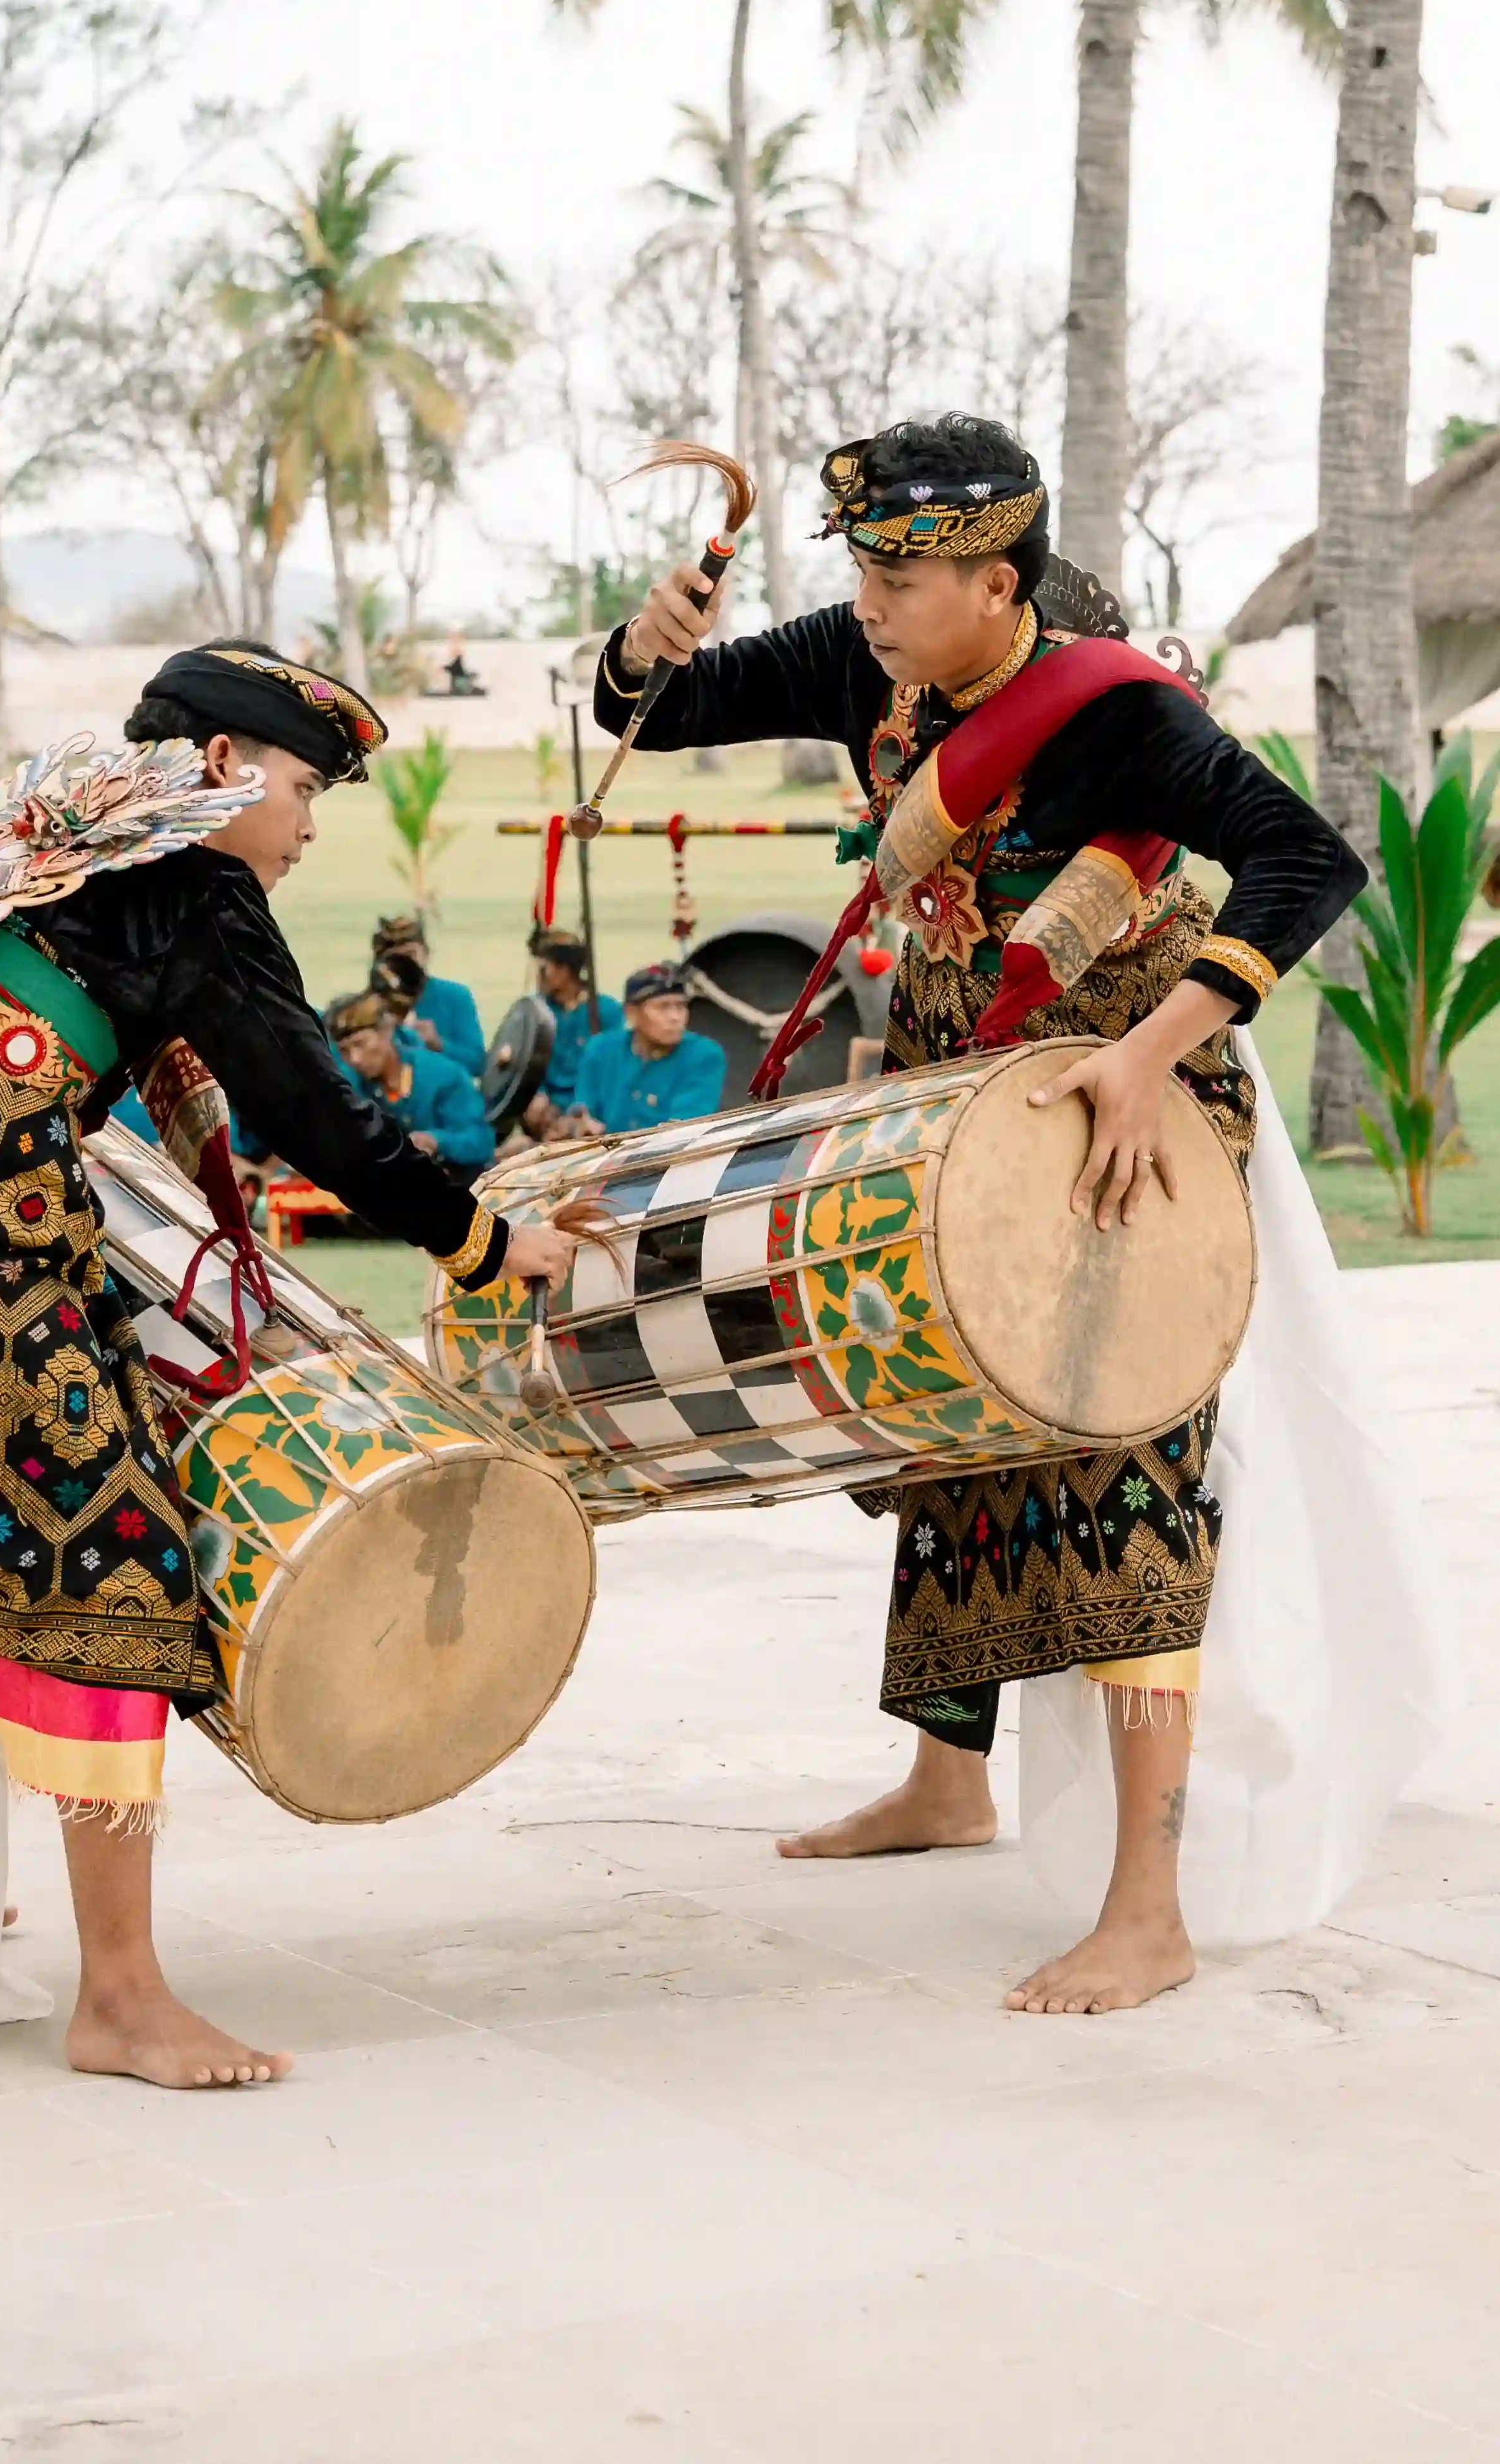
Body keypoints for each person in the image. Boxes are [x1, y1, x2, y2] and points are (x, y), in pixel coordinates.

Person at [0, 640, 574, 2088]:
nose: (301, 828)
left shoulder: (56, 826)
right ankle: (121, 1996)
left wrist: (15, 1041)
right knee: (112, 1558)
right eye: (298, 789)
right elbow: (320, 1116)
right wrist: (482, 1240)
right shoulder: (196, 878)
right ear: (221, 771)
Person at [594, 411, 1371, 2017]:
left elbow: (1307, 857)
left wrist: (1153, 1054)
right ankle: (947, 1781)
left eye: (904, 571)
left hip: (1115, 1112)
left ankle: (1145, 1906)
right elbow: (661, 715)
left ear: (998, 584)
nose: (868, 598)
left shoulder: (1116, 715)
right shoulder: (872, 661)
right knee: (954, 1435)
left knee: (1119, 1454)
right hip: (954, 1101)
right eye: (862, 567)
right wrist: (641, 644)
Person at [327, 986, 497, 1171]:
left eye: (360, 1044)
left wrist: (436, 1141)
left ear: (386, 1031)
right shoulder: (350, 1086)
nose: (355, 1059)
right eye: (344, 1051)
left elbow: (482, 1141)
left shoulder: (441, 1075)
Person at [567, 964, 726, 1135]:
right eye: (663, 1007)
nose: (675, 1017)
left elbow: (683, 1129)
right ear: (631, 1013)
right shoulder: (600, 1049)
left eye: (681, 1006)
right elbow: (583, 1107)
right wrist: (581, 1123)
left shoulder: (705, 1056)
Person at [522, 929, 618, 1136]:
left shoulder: (605, 1011)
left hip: (590, 1107)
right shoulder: (536, 1012)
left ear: (563, 971)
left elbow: (613, 1069)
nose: (538, 977)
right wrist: (536, 1094)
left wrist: (574, 1110)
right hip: (547, 1105)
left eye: (543, 969)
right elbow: (525, 1063)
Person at [370, 910, 485, 1080]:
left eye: (411, 955)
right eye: (396, 959)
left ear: (426, 953)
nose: (406, 966)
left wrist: (437, 1044)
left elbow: (478, 1064)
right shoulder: (370, 1005)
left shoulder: (456, 997)